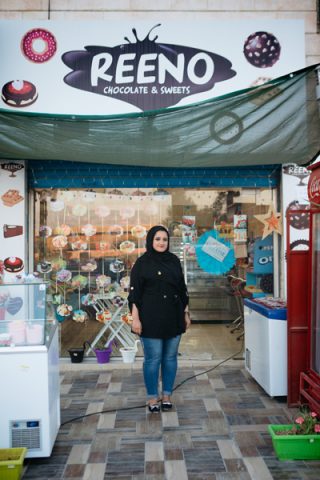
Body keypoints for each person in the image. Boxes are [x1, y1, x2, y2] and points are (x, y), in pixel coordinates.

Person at [128, 225, 191, 413]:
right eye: (157, 239)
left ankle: (166, 395)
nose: (161, 242)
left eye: (164, 239)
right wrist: (135, 319)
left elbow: (182, 289)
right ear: (150, 240)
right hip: (150, 318)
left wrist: (186, 314)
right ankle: (151, 397)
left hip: (173, 315)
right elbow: (134, 295)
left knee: (170, 358)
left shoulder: (174, 261)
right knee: (153, 359)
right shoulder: (142, 263)